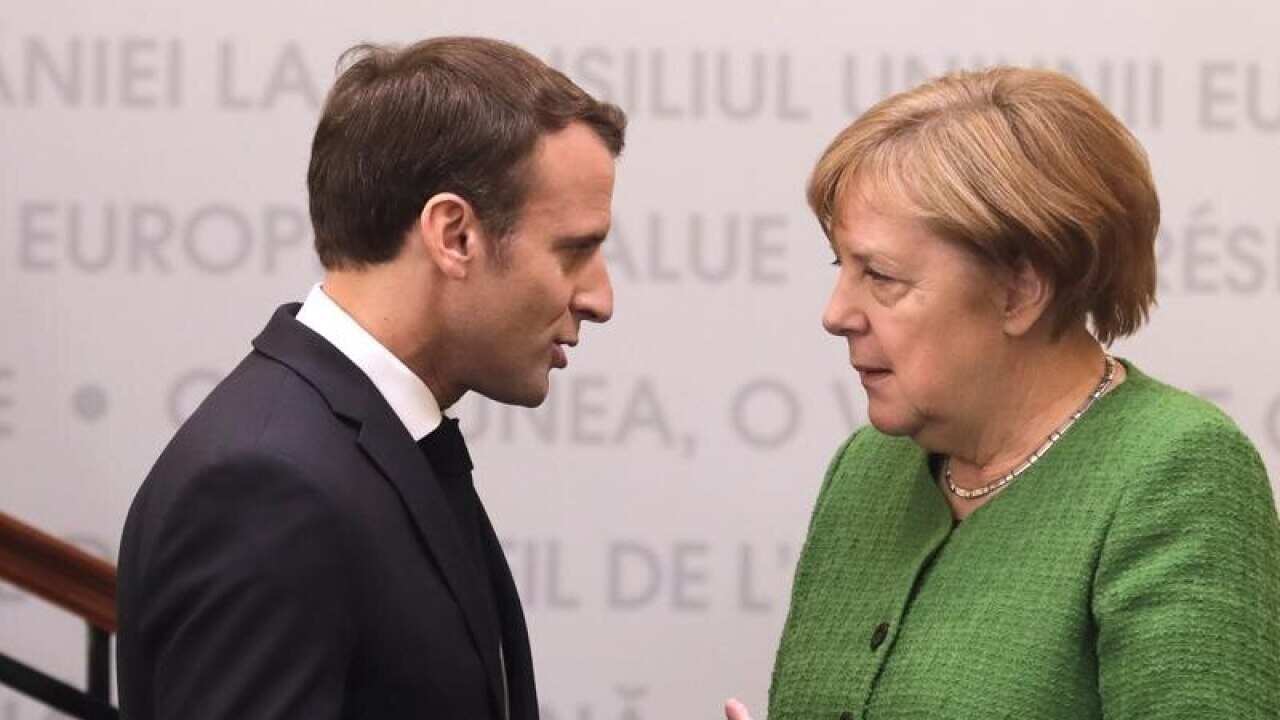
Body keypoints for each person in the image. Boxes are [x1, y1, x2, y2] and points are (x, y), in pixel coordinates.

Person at [728, 67, 1279, 719]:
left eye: (880, 276)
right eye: (840, 266)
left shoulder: (1178, 473)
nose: (836, 313)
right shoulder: (867, 468)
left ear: (1020, 291)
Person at [117, 36, 625, 719]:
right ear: (454, 235)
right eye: (574, 251)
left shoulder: (352, 449)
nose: (600, 298)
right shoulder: (267, 485)